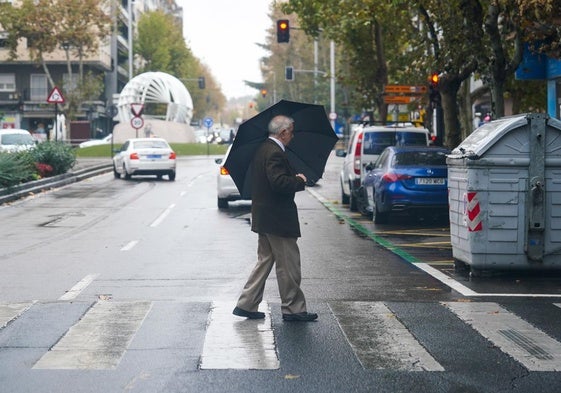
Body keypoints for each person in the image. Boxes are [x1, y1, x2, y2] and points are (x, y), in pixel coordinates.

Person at [233, 115, 318, 322]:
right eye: (291, 131)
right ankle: (293, 309)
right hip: (278, 219)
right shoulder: (274, 153)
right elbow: (279, 183)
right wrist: (298, 180)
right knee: (288, 265)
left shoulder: (264, 149)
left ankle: (246, 304)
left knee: (265, 261)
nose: (292, 135)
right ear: (283, 132)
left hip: (265, 217)